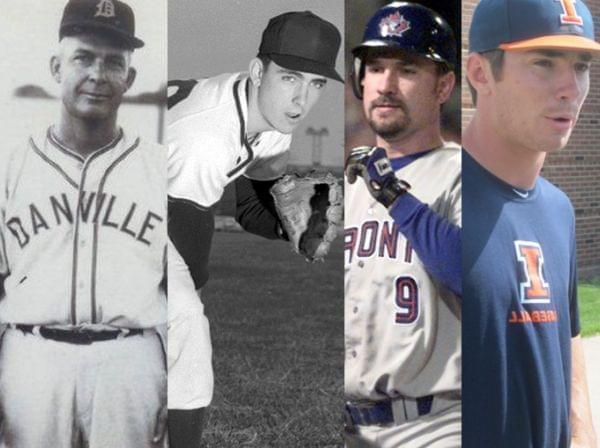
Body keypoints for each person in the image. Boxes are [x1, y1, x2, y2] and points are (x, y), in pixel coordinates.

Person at [166, 10, 343, 446]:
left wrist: (296, 228)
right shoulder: (206, 137)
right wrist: (190, 294)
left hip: (145, 200)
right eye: (289, 78)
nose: (301, 99)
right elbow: (185, 230)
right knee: (185, 327)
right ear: (258, 70)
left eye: (315, 83)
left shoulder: (270, 126)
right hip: (90, 202)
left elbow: (250, 206)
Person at [0, 0, 167, 447]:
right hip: (30, 360)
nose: (98, 73)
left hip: (131, 362)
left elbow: (184, 292)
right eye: (83, 57)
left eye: (114, 62)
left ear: (129, 79)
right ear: (56, 67)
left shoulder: (160, 169)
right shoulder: (10, 167)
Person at [463, 0, 598, 446]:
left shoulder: (558, 210)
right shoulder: (427, 201)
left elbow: (568, 336)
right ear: (481, 73)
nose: (570, 89)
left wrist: (581, 434)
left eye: (580, 66)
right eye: (544, 63)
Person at [343, 2, 461, 447]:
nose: (386, 85)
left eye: (407, 70)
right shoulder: (352, 183)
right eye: (375, 68)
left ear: (443, 85)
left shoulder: (463, 174)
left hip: (436, 424)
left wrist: (393, 193)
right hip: (351, 422)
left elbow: (474, 273)